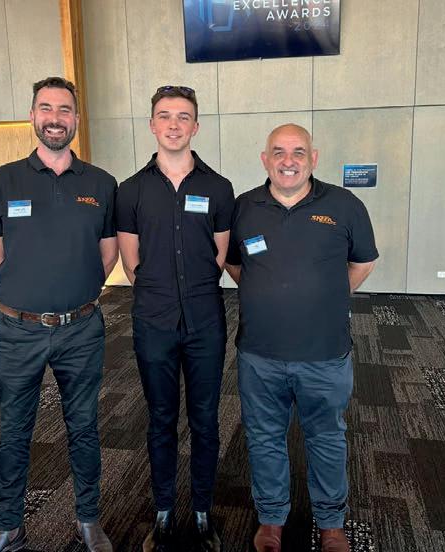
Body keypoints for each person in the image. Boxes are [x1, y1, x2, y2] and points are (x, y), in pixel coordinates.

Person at [0, 76, 118, 552]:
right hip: (19, 330)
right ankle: (9, 525)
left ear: (76, 119)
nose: (56, 118)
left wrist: (78, 292)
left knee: (84, 428)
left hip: (82, 329)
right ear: (33, 116)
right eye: (46, 108)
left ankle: (88, 520)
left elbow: (108, 254)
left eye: (64, 110)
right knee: (14, 430)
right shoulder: (0, 180)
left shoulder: (101, 184)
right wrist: (28, 292)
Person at [225, 124, 377, 552]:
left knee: (326, 438)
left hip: (324, 353)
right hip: (260, 354)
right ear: (265, 159)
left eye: (298, 152)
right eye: (278, 152)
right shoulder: (243, 207)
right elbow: (235, 265)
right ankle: (271, 519)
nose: (288, 161)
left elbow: (363, 263)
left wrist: (326, 297)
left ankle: (330, 524)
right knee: (264, 437)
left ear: (314, 158)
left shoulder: (345, 205)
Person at [116, 86, 234, 551]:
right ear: (152, 125)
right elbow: (131, 262)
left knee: (205, 419)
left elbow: (219, 256)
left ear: (195, 127)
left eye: (183, 116)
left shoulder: (218, 188)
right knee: (161, 418)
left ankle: (202, 511)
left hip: (205, 321)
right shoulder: (131, 190)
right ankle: (163, 511)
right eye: (164, 115)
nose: (173, 124)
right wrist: (162, 292)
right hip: (154, 320)